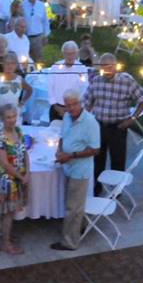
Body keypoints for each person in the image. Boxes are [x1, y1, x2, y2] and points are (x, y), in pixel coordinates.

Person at [83, 53, 143, 192]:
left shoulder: (126, 81)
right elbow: (87, 103)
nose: (106, 70)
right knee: (98, 159)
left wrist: (132, 119)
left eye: (109, 67)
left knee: (118, 160)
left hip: (118, 127)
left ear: (115, 66)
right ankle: (97, 186)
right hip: (99, 126)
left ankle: (116, 190)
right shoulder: (96, 81)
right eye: (103, 67)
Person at [51, 91, 100, 251]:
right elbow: (63, 136)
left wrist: (71, 155)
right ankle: (80, 226)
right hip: (67, 167)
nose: (71, 108)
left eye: (74, 104)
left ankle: (70, 242)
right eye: (68, 105)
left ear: (81, 103)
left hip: (80, 170)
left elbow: (95, 149)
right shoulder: (66, 117)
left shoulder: (90, 122)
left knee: (73, 207)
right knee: (75, 203)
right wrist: (59, 150)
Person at [0, 104, 30, 255]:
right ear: (2, 119)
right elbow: (4, 163)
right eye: (8, 117)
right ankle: (5, 243)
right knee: (8, 213)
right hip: (7, 181)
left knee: (12, 211)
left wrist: (27, 172)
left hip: (19, 177)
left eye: (14, 116)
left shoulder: (19, 131)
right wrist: (21, 177)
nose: (12, 120)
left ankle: (7, 237)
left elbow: (24, 152)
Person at [0, 53, 32, 121]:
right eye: (7, 63)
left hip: (14, 114)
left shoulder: (19, 80)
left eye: (12, 63)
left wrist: (22, 101)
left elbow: (29, 90)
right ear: (3, 64)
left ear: (16, 65)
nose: (9, 66)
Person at [48, 41, 89, 121]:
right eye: (67, 54)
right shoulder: (55, 67)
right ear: (63, 54)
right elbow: (50, 87)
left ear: (77, 53)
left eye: (72, 53)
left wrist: (71, 108)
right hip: (56, 109)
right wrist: (57, 107)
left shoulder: (81, 69)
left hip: (74, 110)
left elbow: (84, 89)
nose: (70, 56)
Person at [22, 0, 50, 65]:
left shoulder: (41, 5)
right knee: (25, 59)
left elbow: (45, 21)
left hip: (38, 37)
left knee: (38, 60)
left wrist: (46, 35)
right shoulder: (22, 5)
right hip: (25, 37)